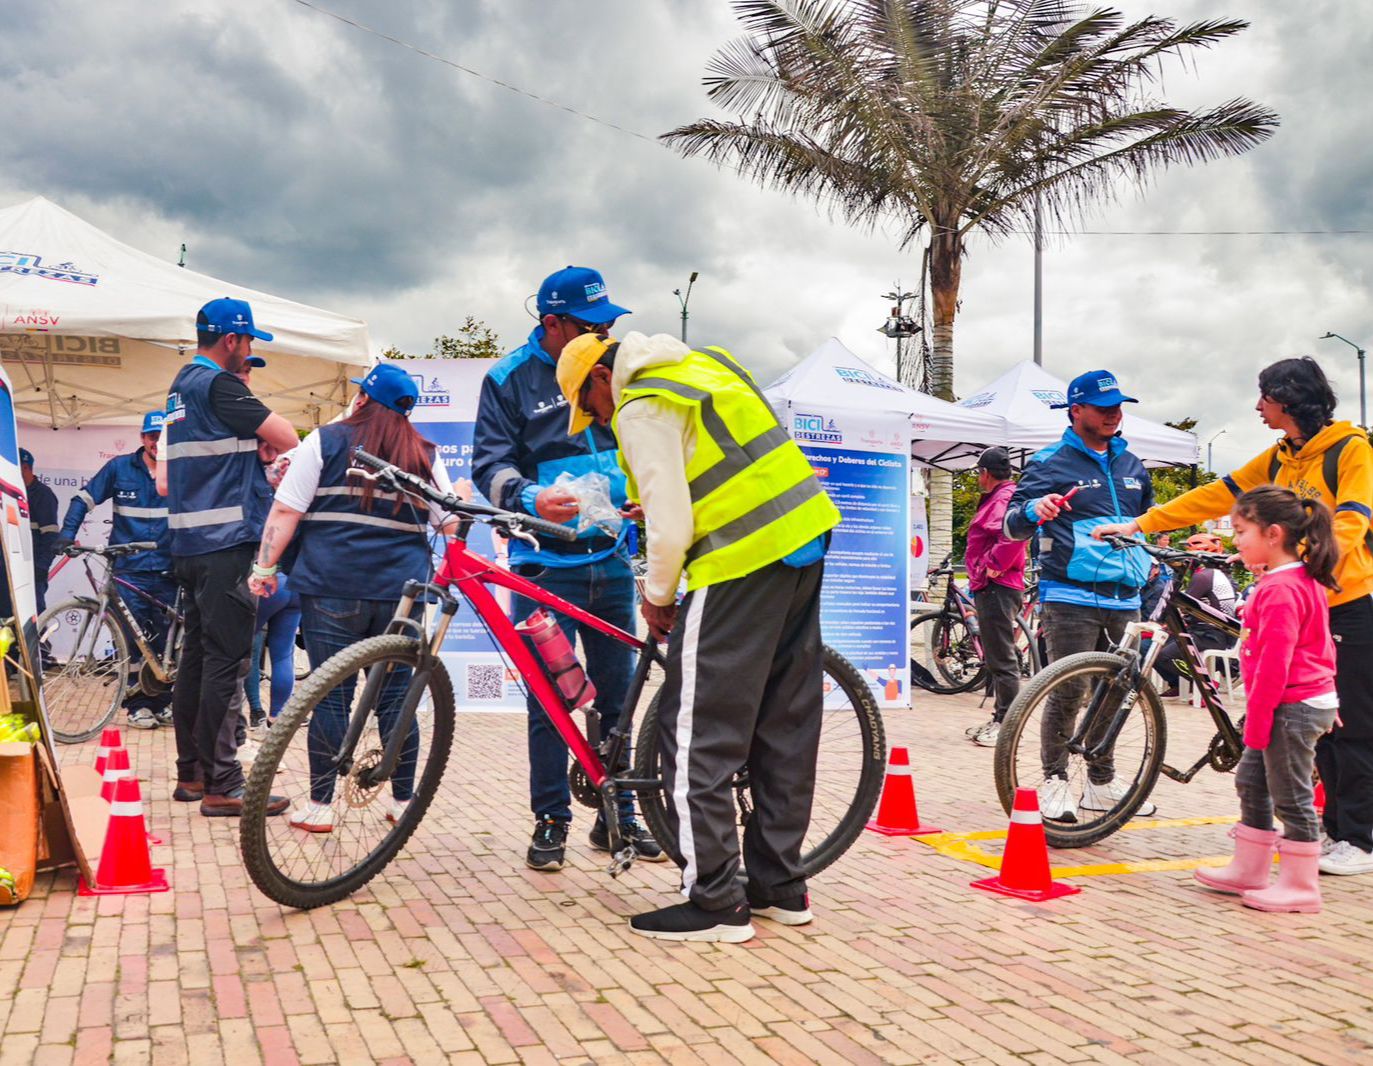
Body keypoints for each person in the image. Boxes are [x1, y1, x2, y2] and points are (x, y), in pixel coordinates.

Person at [557, 330, 841, 943]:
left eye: (593, 408)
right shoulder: (705, 364)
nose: (601, 422)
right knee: (783, 724)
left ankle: (715, 900)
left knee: (694, 732)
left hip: (738, 556)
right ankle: (778, 887)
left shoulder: (639, 402)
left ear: (603, 380)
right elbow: (729, 464)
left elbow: (671, 525)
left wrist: (657, 599)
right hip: (803, 540)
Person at [1095, 357, 1373, 876]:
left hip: (1346, 601)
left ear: (1290, 400)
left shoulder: (1350, 450)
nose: (1257, 407)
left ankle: (1357, 837)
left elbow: (1354, 523)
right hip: (1301, 595)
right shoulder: (1278, 458)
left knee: (1348, 724)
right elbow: (1218, 495)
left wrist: (1303, 569)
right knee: (1309, 725)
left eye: (1265, 397)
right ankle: (1315, 827)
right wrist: (1139, 524)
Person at [471, 266, 662, 871]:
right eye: (590, 325)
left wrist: (639, 497)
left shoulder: (615, 368)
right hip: (541, 569)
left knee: (617, 700)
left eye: (609, 324)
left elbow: (638, 445)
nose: (603, 335)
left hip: (608, 562)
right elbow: (489, 465)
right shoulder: (507, 379)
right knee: (549, 702)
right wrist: (528, 498)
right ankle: (550, 819)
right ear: (550, 323)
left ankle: (618, 818)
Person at [248, 363, 460, 832]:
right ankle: (402, 801)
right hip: (402, 596)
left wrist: (264, 568)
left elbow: (286, 509)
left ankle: (321, 806)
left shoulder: (324, 441)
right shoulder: (425, 452)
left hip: (332, 587)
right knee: (396, 701)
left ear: (363, 397)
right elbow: (448, 523)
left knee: (330, 698)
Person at [159, 298, 299, 816]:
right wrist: (269, 447)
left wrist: (250, 448)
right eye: (248, 342)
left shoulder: (180, 385)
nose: (249, 352)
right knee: (227, 662)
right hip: (225, 545)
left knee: (196, 660)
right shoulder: (220, 385)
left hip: (190, 545)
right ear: (233, 339)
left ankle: (191, 775)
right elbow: (289, 438)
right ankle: (224, 784)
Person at [1005, 369, 1156, 822]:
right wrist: (1035, 509)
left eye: (1118, 405)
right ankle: (1054, 781)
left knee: (1119, 693)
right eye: (1102, 406)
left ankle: (1100, 782)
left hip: (1127, 598)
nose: (1113, 413)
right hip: (1069, 596)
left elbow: (1149, 520)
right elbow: (1011, 525)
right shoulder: (1049, 462)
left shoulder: (1132, 465)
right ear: (1076, 411)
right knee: (1068, 691)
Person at [1194, 487, 1338, 912]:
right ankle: (1250, 868)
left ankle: (1300, 886)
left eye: (1241, 531)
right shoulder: (1289, 580)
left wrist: (1257, 722)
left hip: (1290, 707)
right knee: (1252, 782)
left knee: (1291, 795)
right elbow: (1322, 645)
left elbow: (1277, 663)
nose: (1235, 541)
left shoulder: (1281, 590)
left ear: (1273, 534)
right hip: (1296, 702)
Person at [56, 411, 175, 728]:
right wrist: (68, 533)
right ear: (142, 437)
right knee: (133, 640)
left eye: (163, 436)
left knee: (165, 642)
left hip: (169, 569)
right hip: (128, 569)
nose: (158, 442)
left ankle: (163, 703)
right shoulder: (119, 467)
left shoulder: (179, 469)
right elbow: (83, 498)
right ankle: (137, 706)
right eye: (152, 436)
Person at [963, 446, 1026, 747]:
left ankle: (1007, 725)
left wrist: (992, 567)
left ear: (985, 473)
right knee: (1001, 655)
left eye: (978, 473)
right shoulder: (1003, 497)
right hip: (995, 585)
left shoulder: (1002, 498)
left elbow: (1012, 534)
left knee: (1002, 658)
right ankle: (1002, 717)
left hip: (997, 587)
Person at [1151, 532, 1237, 698]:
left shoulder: (1202, 577)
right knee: (1159, 648)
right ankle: (1182, 685)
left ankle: (1204, 683)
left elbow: (1182, 605)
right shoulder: (1216, 574)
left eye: (1188, 552)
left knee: (1159, 655)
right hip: (1218, 635)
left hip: (1208, 635)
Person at [19, 449, 59, 615]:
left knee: (33, 618)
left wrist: (40, 568)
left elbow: (50, 536)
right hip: (9, 570)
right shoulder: (10, 494)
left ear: (26, 468)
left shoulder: (43, 495)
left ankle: (40, 642)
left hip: (32, 571)